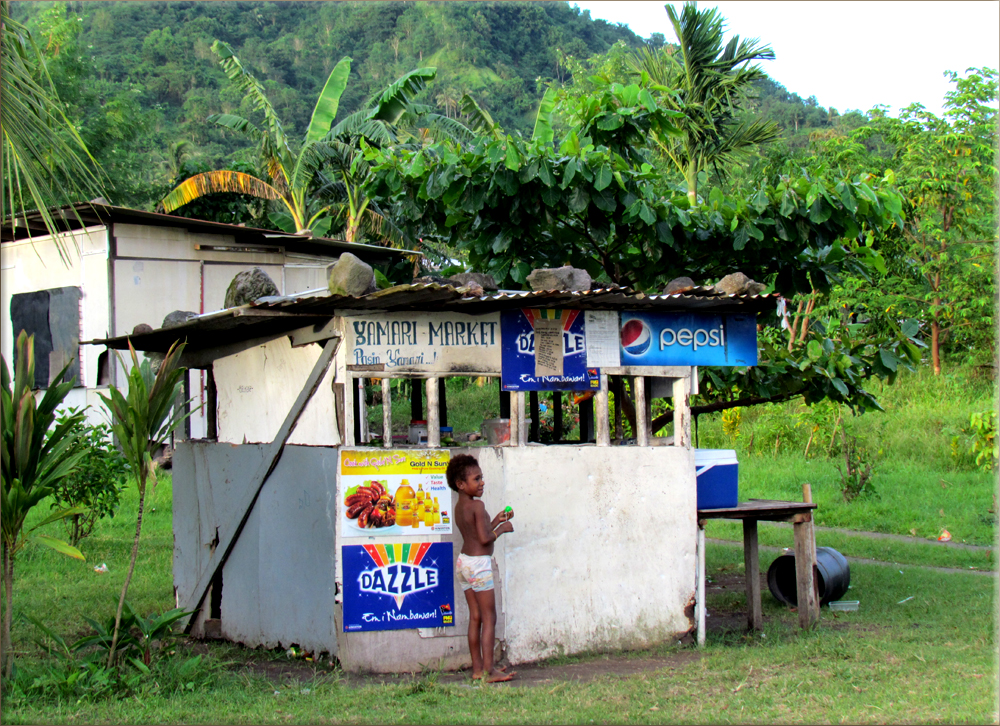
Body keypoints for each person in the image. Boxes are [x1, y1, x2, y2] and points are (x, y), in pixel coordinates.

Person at [447, 453, 515, 683]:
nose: (482, 482)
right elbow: (486, 539)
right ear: (461, 484)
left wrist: (496, 519)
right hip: (479, 565)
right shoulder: (478, 506)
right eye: (476, 479)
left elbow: (478, 533)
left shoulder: (460, 506)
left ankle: (477, 669)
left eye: (481, 478)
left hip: (464, 563)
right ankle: (489, 670)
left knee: (475, 617)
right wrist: (502, 529)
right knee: (489, 617)